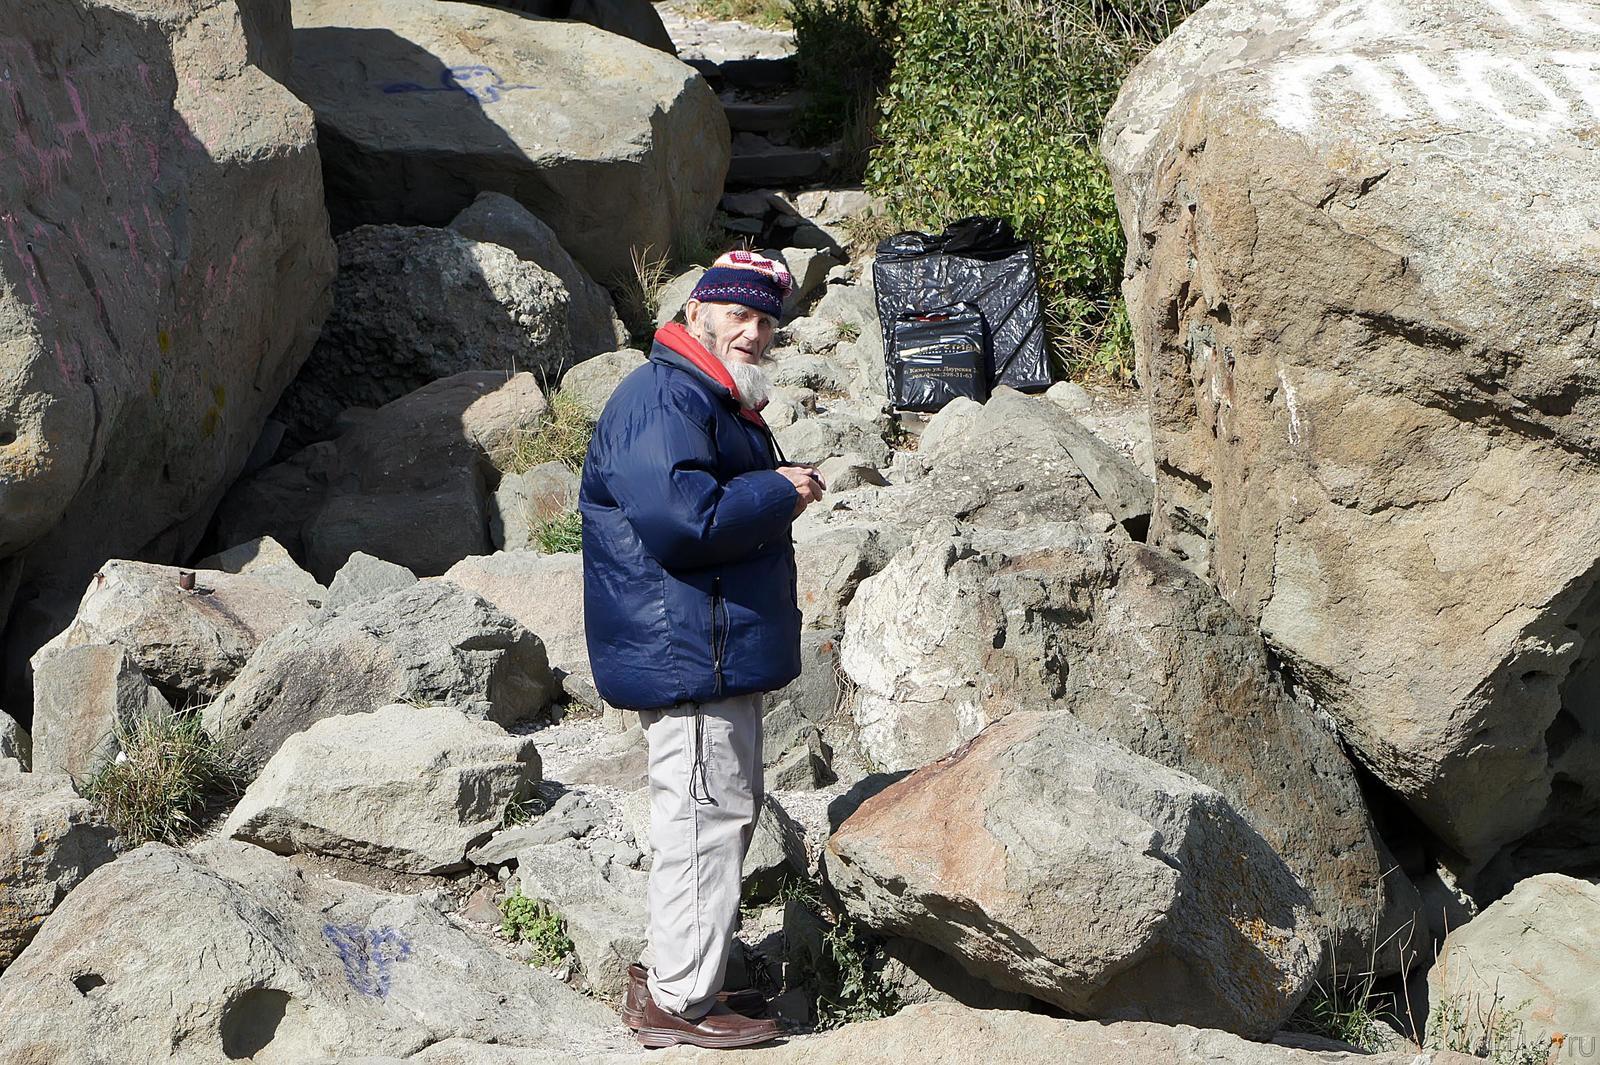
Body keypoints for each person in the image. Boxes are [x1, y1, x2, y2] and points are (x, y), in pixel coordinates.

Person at [578, 250, 825, 1049]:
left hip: (706, 650)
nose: (755, 331)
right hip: (689, 656)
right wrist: (780, 488)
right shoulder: (663, 396)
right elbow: (685, 521)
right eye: (739, 315)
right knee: (701, 819)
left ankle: (685, 972)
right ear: (696, 315)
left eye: (766, 321)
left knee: (718, 812)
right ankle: (677, 1001)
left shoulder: (705, 395)